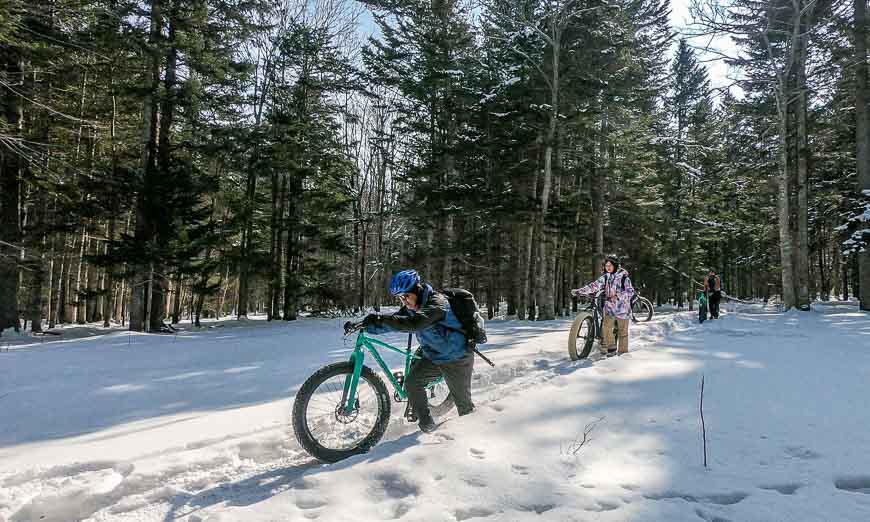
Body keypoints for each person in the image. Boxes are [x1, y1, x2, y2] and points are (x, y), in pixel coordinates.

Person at [355, 269, 474, 433]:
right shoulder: (412, 306)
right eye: (400, 298)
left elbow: (415, 323)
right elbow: (396, 323)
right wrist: (365, 325)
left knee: (466, 409)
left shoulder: (437, 304)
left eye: (406, 296)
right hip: (433, 355)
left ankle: (475, 440)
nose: (404, 301)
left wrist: (381, 318)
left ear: (417, 290)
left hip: (456, 358)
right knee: (411, 382)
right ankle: (427, 425)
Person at [571, 255, 635, 355]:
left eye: (610, 265)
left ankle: (623, 354)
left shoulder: (624, 278)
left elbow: (630, 292)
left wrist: (618, 296)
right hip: (609, 308)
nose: (608, 267)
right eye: (606, 265)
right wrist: (581, 291)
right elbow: (594, 286)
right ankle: (611, 348)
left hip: (623, 309)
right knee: (606, 328)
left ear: (615, 265)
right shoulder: (606, 277)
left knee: (622, 333)